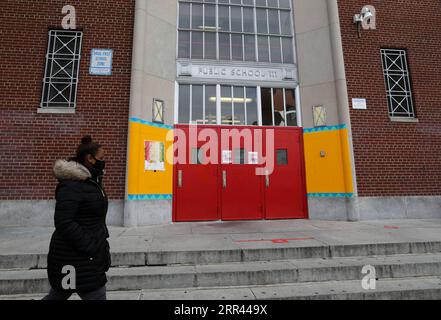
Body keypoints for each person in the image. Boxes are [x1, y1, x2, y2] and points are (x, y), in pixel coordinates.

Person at [43, 136, 111, 300]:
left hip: (85, 256)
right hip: (75, 255)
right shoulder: (73, 186)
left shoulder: (90, 182)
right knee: (95, 295)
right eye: (101, 158)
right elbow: (64, 222)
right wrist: (91, 245)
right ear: (90, 158)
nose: (104, 162)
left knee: (58, 295)